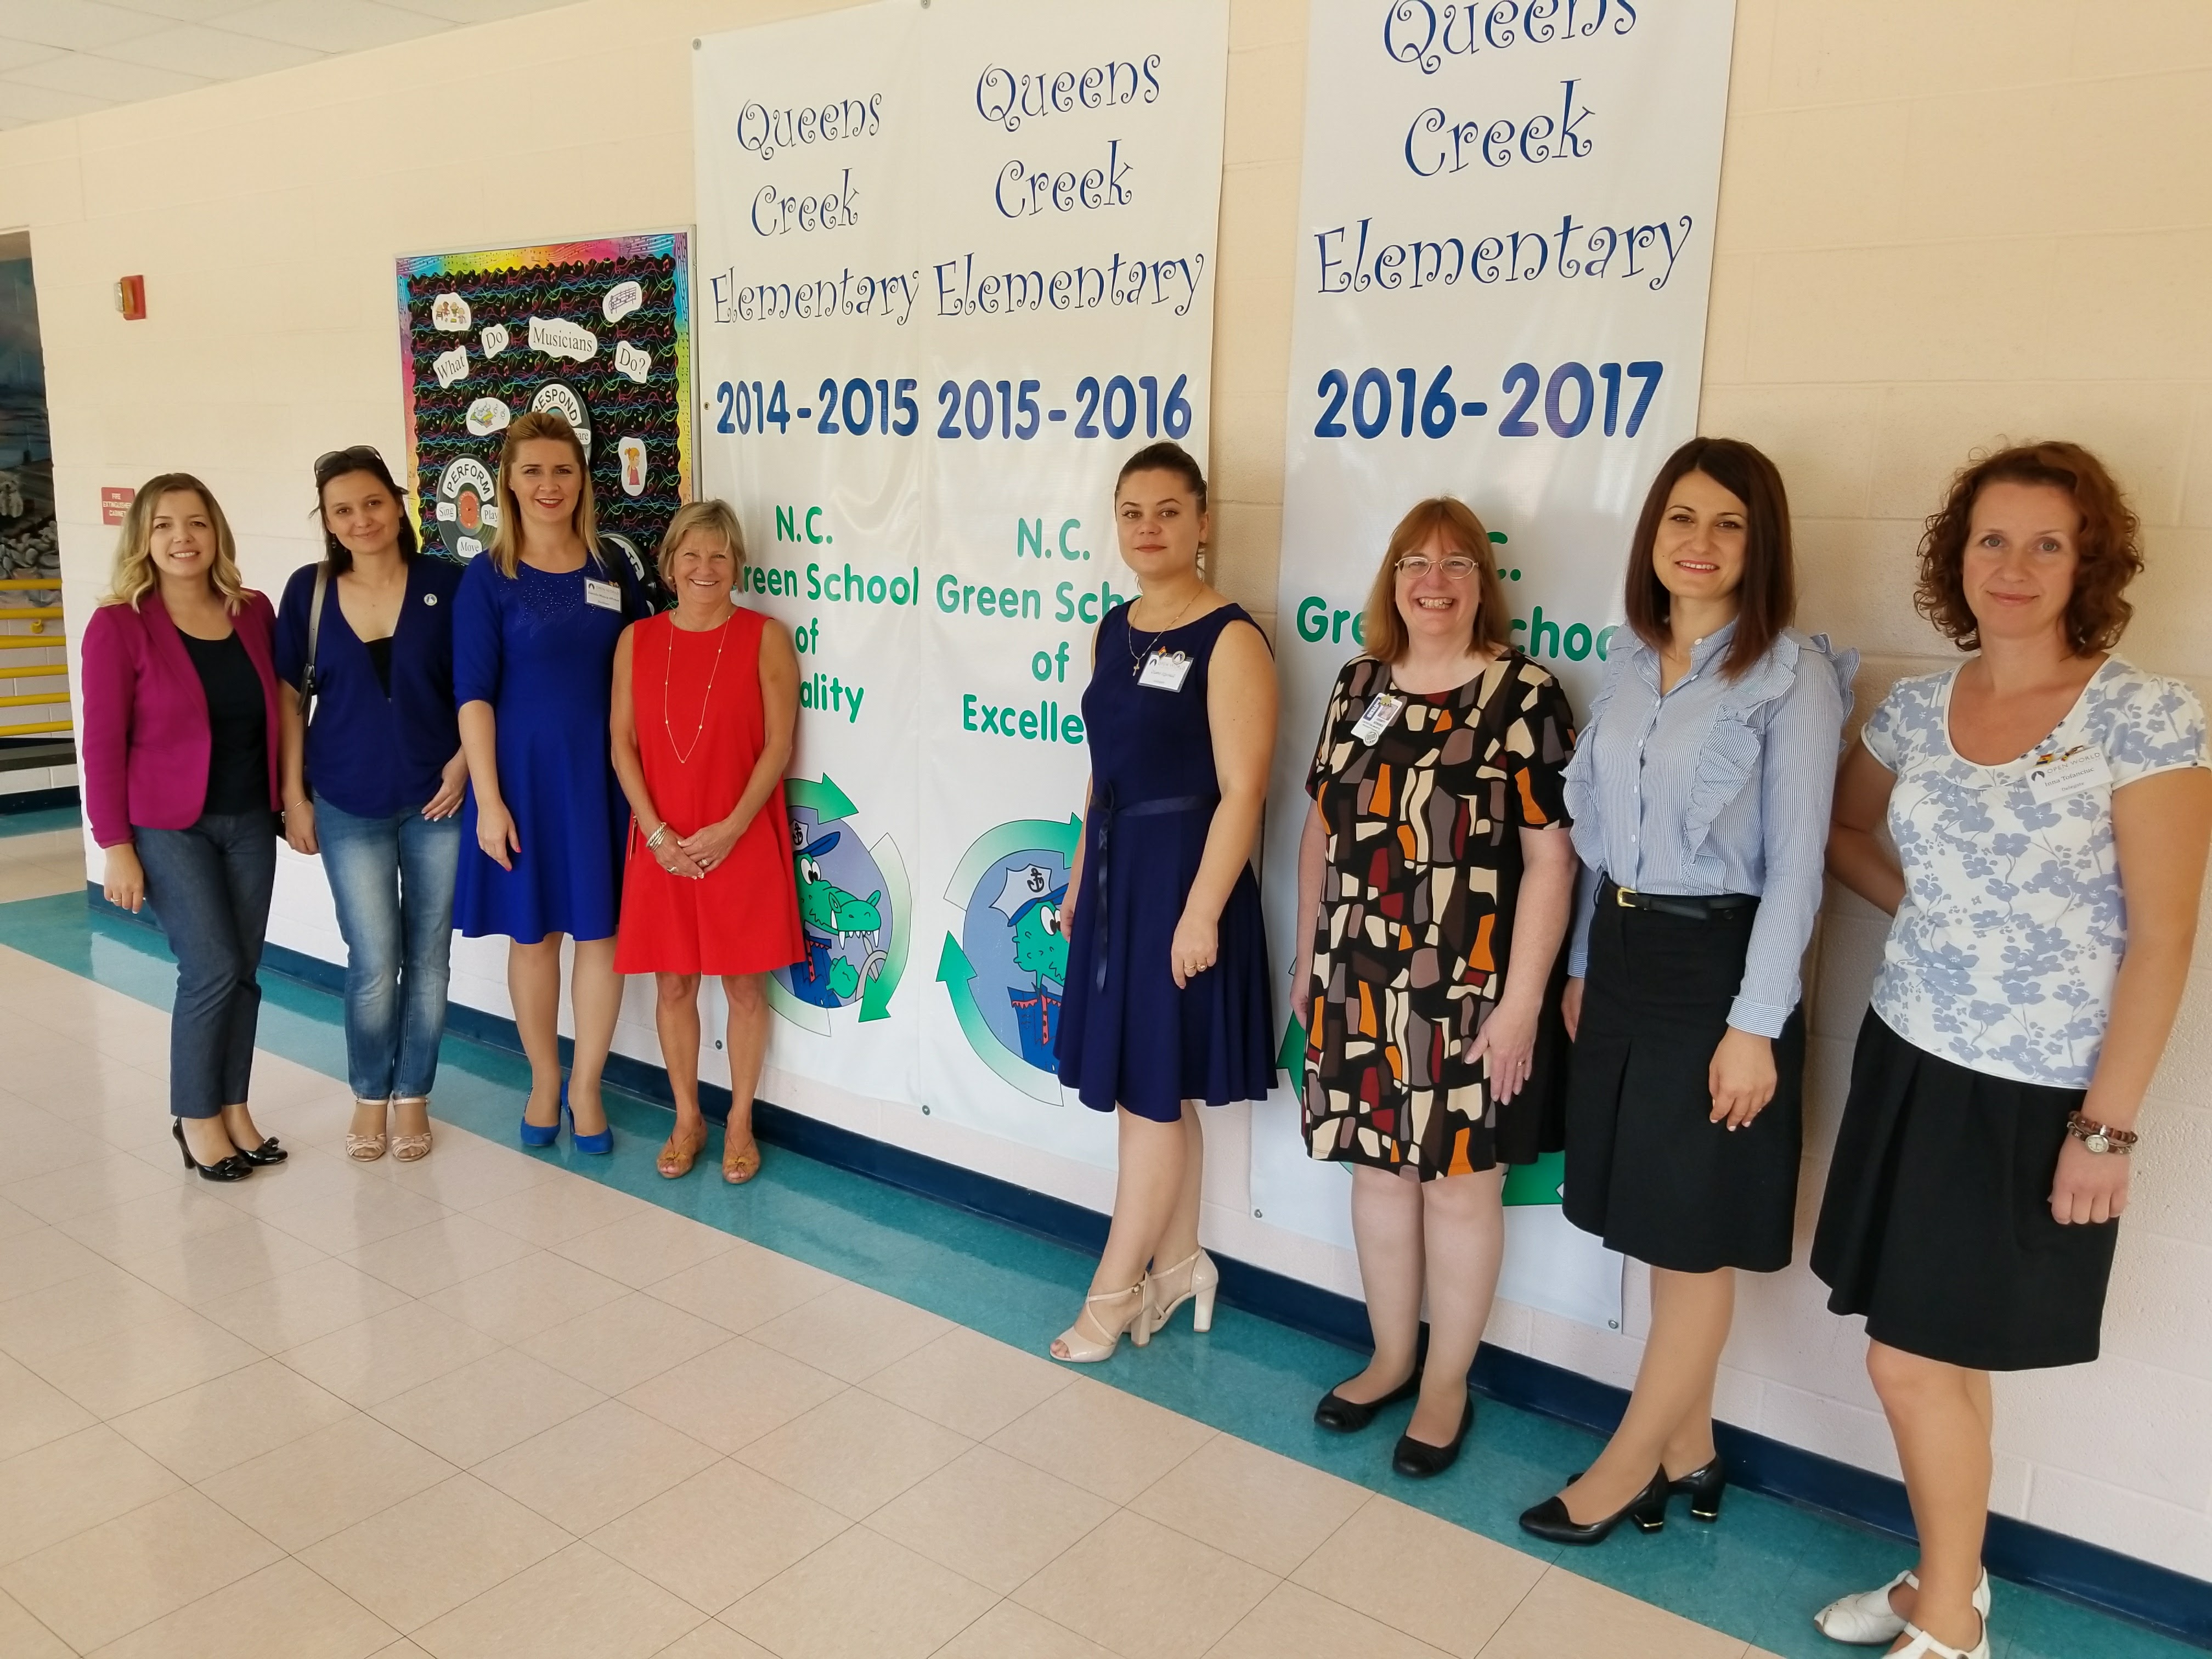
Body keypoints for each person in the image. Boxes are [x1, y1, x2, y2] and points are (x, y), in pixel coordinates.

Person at [1811, 444, 2209, 1659]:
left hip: (2035, 1095)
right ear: (1957, 556)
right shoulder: (1921, 707)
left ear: (2089, 561)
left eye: (2048, 542)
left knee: (1911, 1365)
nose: (2017, 565)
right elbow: (1844, 827)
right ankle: (1951, 1580)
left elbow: (2164, 939)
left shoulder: (2144, 718)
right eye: (1993, 539)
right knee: (1938, 1356)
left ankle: (1951, 1625)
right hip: (1911, 1058)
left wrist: (2107, 1126)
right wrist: (1933, 915)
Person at [1519, 437, 1855, 1543]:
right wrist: (1576, 971)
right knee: (1657, 1224)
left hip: (1722, 972)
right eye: (1681, 518)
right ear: (1651, 534)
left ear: (1760, 548)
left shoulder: (1790, 673)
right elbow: (1601, 840)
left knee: (1692, 1237)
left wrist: (1756, 1027)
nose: (1699, 545)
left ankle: (1621, 1470)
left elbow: (1800, 867)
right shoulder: (1627, 661)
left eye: (1728, 525)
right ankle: (1692, 1451)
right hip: (1620, 967)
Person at [1293, 498, 1578, 1479]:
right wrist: (1305, 958)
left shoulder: (1525, 693)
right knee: (1378, 1174)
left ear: (1481, 581)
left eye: (1456, 563)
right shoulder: (1358, 683)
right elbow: (1319, 831)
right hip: (1357, 974)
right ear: (1393, 577)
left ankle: (1447, 1380)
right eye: (1415, 560)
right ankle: (1389, 1357)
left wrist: (1522, 1002)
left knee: (1460, 1188)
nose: (1434, 579)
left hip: (1469, 987)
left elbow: (1553, 859)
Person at [1050, 441, 1277, 1362]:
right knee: (1151, 1089)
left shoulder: (1230, 637)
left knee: (1148, 1097)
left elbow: (1244, 788)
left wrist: (1201, 911)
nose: (1149, 529)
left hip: (1184, 876)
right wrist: (1075, 883)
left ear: (1202, 520)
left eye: (1168, 511)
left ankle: (1111, 1294)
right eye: (1132, 512)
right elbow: (1100, 774)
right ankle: (1180, 1261)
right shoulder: (1112, 629)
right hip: (1116, 876)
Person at [81, 475, 287, 1182]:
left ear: (216, 533)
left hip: (249, 820)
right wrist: (116, 847)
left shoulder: (251, 611)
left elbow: (283, 710)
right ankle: (196, 1117)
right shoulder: (120, 624)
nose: (182, 538)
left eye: (196, 523)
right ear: (143, 537)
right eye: (164, 525)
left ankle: (234, 1106)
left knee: (246, 974)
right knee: (212, 969)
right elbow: (103, 743)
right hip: (167, 825)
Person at [453, 411, 646, 1153]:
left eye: (562, 470)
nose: (548, 485)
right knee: (534, 938)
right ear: (508, 480)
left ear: (583, 478)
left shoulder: (612, 568)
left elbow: (642, 668)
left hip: (600, 782)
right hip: (522, 783)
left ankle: (587, 1087)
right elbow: (472, 694)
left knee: (600, 935)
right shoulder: (488, 577)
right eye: (532, 470)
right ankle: (542, 1080)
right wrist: (489, 800)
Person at [276, 447, 465, 1164]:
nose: (362, 520)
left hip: (436, 800)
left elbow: (480, 690)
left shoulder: (447, 587)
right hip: (346, 801)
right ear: (327, 521)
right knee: (372, 957)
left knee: (430, 958)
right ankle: (368, 1094)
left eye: (373, 503)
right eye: (343, 510)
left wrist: (462, 765)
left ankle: (413, 1093)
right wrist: (293, 798)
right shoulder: (311, 592)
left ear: (399, 505)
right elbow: (290, 703)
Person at [611, 500, 803, 1183]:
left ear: (737, 566)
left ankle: (742, 1120)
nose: (705, 567)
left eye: (719, 555)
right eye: (691, 554)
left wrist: (730, 827)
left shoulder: (765, 636)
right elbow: (622, 746)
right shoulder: (637, 641)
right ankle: (687, 1115)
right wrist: (658, 833)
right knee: (673, 985)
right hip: (662, 839)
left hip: (740, 837)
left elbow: (778, 746)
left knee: (745, 987)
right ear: (668, 564)